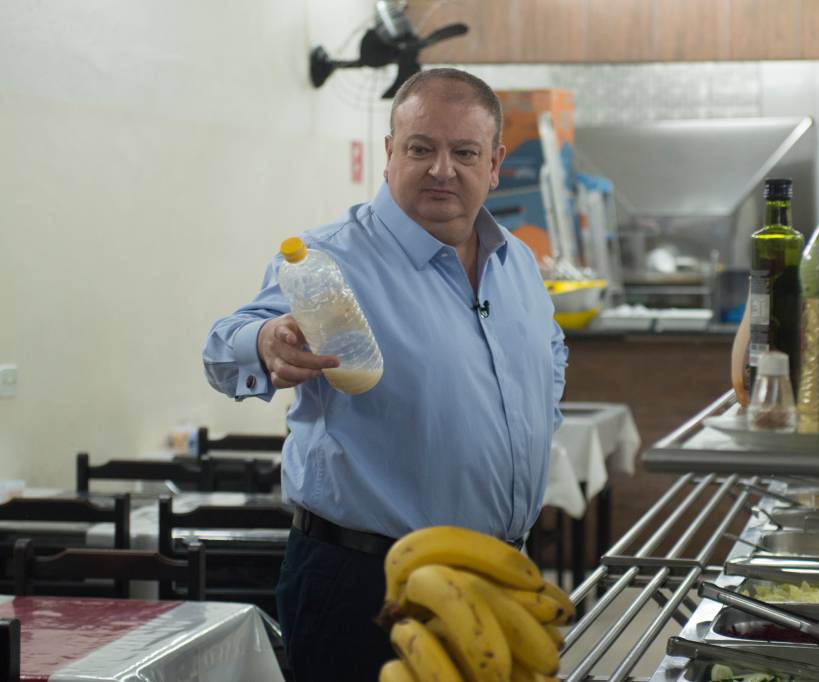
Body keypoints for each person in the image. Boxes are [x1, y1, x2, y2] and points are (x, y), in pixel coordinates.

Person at [203, 68, 568, 681]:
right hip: (364, 585)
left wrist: (526, 425)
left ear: (496, 163)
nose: (442, 169)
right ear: (389, 153)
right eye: (422, 148)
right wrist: (266, 341)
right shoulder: (332, 259)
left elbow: (550, 352)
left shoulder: (518, 263)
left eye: (464, 152)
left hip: (497, 576)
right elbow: (222, 350)